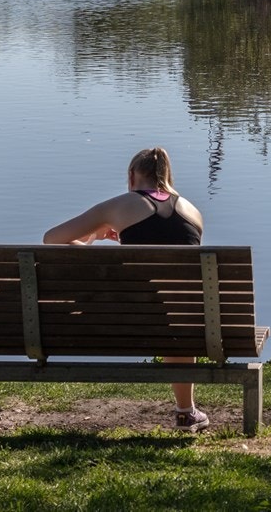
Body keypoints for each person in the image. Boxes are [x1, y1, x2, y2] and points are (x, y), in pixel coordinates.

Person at [43, 145, 210, 431]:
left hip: (125, 319)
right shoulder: (193, 212)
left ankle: (187, 410)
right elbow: (169, 270)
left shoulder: (120, 205)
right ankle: (186, 411)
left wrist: (92, 239)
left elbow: (51, 239)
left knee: (159, 307)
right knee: (175, 309)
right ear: (166, 176)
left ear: (132, 176)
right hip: (185, 323)